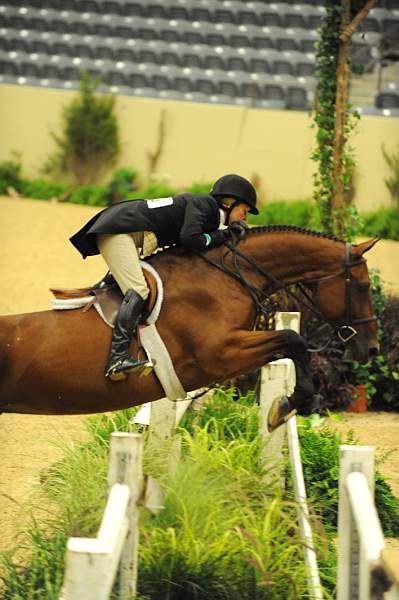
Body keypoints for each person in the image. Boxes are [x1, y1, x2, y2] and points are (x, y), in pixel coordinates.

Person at [70, 173, 258, 381]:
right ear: (229, 202)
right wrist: (224, 235)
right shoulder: (206, 205)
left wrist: (221, 234)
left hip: (128, 234)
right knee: (139, 291)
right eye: (245, 210)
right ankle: (118, 359)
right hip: (120, 231)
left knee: (127, 286)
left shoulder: (208, 212)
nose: (245, 218)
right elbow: (190, 239)